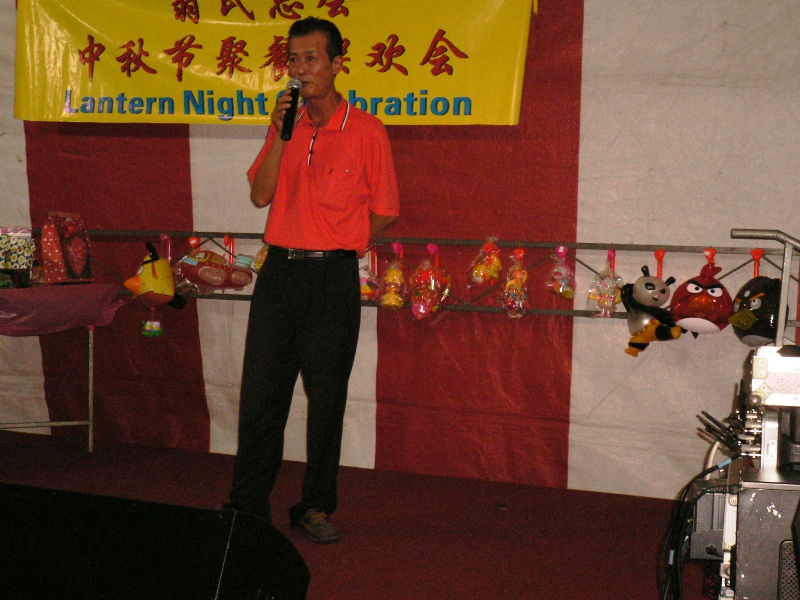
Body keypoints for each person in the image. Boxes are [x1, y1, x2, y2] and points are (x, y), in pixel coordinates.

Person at [228, 16, 400, 544]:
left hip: (331, 280)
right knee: (261, 396)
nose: (300, 69)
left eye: (311, 59)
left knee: (326, 399)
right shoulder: (286, 124)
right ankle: (247, 506)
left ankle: (316, 506)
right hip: (280, 274)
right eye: (293, 59)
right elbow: (260, 194)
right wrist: (281, 133)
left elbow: (386, 209)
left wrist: (345, 242)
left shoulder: (366, 130)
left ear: (337, 63)